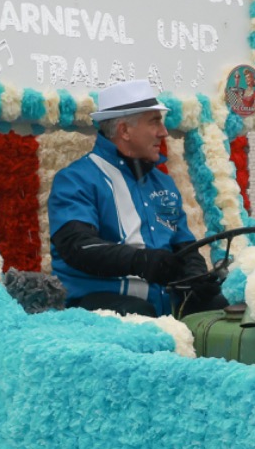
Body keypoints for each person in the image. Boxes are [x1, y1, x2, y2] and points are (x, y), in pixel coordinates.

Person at [49, 80, 223, 316]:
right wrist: (140, 261)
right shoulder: (74, 179)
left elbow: (184, 246)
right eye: (154, 121)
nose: (163, 132)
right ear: (124, 130)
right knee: (140, 313)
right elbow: (78, 246)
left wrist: (195, 276)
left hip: (162, 305)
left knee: (221, 308)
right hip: (97, 308)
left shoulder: (164, 182)